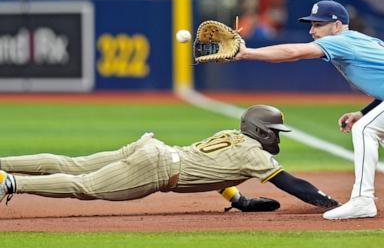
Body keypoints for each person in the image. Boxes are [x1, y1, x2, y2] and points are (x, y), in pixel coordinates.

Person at [0, 105, 339, 213]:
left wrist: (240, 200)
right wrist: (327, 201)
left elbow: (214, 171)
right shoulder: (254, 154)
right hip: (158, 167)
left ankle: (5, 164)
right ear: (261, 131)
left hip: (152, 150)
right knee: (82, 186)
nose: (277, 136)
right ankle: (11, 182)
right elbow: (291, 183)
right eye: (275, 130)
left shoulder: (234, 138)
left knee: (70, 164)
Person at [234, 0, 384, 220]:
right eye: (311, 24)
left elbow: (295, 52)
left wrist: (247, 53)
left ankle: (363, 200)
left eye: (318, 24)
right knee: (368, 125)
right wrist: (364, 112)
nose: (312, 30)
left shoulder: (340, 41)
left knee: (364, 130)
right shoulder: (360, 40)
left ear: (337, 25)